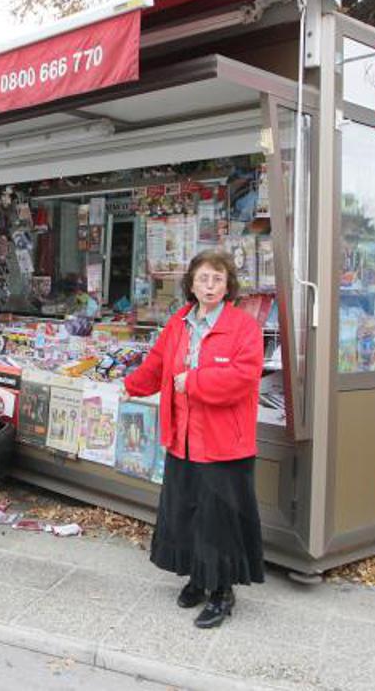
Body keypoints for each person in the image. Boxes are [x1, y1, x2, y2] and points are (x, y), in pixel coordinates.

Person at [123, 248, 265, 629]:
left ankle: (222, 592)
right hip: (183, 438)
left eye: (218, 279)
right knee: (186, 513)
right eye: (203, 278)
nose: (210, 285)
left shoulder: (243, 327)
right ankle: (199, 579)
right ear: (191, 283)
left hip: (223, 444)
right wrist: (130, 387)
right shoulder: (179, 323)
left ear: (228, 285)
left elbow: (244, 377)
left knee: (218, 520)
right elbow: (156, 364)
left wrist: (195, 382)